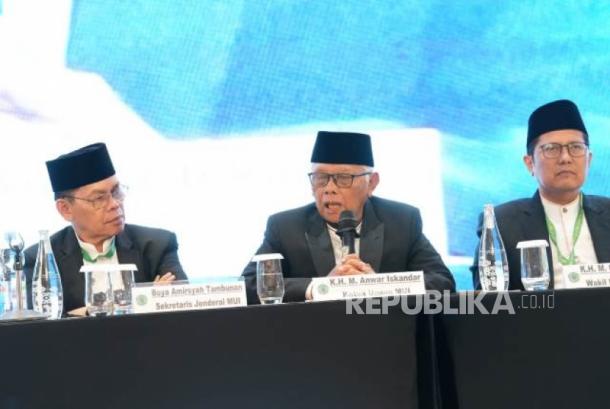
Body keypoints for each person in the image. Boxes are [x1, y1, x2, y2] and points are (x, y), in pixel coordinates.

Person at [242, 131, 455, 303]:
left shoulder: (401, 221)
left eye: (343, 178)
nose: (329, 188)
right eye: (320, 178)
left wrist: (380, 286)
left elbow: (442, 282)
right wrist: (320, 288)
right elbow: (248, 286)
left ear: (372, 183)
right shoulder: (285, 227)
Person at [24, 143, 187, 314]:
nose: (115, 204)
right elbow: (43, 321)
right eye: (99, 199)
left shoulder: (157, 245)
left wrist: (79, 313)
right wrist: (144, 302)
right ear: (65, 209)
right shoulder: (40, 260)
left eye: (116, 192)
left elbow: (180, 305)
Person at [471, 99, 610, 289]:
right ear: (530, 163)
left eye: (576, 147)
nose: (565, 158)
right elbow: (488, 298)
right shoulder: (502, 223)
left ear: (589, 159)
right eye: (551, 149)